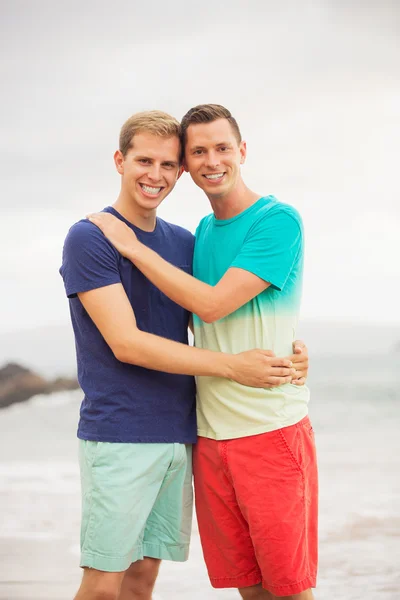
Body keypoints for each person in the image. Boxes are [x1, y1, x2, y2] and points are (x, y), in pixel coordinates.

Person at [60, 110, 309, 600]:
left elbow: (215, 314)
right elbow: (126, 343)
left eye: (169, 164)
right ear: (120, 160)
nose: (156, 174)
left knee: (141, 580)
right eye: (144, 160)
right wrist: (235, 368)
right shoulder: (91, 236)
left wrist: (292, 350)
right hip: (120, 433)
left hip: (183, 434)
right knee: (104, 585)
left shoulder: (185, 241)